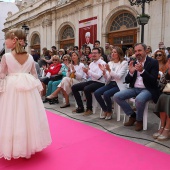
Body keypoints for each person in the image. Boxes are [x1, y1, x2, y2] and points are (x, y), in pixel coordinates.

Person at [0, 28, 51, 160]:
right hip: (28, 87)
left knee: (11, 116)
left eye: (6, 38)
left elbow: (1, 75)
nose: (4, 41)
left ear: (14, 40)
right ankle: (27, 144)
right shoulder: (30, 57)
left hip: (11, 87)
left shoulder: (6, 56)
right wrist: (36, 90)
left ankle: (14, 146)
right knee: (28, 117)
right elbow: (35, 75)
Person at [113, 43, 160, 131]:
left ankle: (139, 120)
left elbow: (153, 80)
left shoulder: (153, 62)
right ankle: (132, 115)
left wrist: (142, 71)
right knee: (117, 96)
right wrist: (130, 72)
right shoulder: (134, 62)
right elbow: (127, 80)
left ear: (145, 51)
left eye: (139, 50)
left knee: (139, 99)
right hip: (134, 88)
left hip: (147, 89)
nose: (137, 53)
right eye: (135, 51)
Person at [94, 47, 128, 120]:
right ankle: (105, 109)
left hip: (119, 85)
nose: (113, 53)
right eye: (112, 52)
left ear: (119, 54)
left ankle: (109, 111)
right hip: (111, 83)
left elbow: (118, 76)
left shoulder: (124, 63)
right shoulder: (110, 63)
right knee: (97, 93)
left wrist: (109, 70)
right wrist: (104, 72)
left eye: (115, 52)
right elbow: (107, 78)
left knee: (106, 94)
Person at [72, 47, 106, 115]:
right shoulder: (91, 63)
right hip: (92, 81)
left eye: (95, 53)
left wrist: (89, 72)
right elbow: (89, 75)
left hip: (100, 83)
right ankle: (80, 107)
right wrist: (87, 73)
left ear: (100, 54)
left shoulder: (102, 63)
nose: (94, 54)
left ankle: (89, 109)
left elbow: (99, 77)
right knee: (74, 87)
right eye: (93, 53)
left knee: (86, 89)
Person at [153, 59, 170, 141]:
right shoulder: (168, 69)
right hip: (167, 92)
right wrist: (167, 73)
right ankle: (162, 126)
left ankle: (167, 128)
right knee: (163, 97)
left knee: (169, 99)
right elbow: (161, 84)